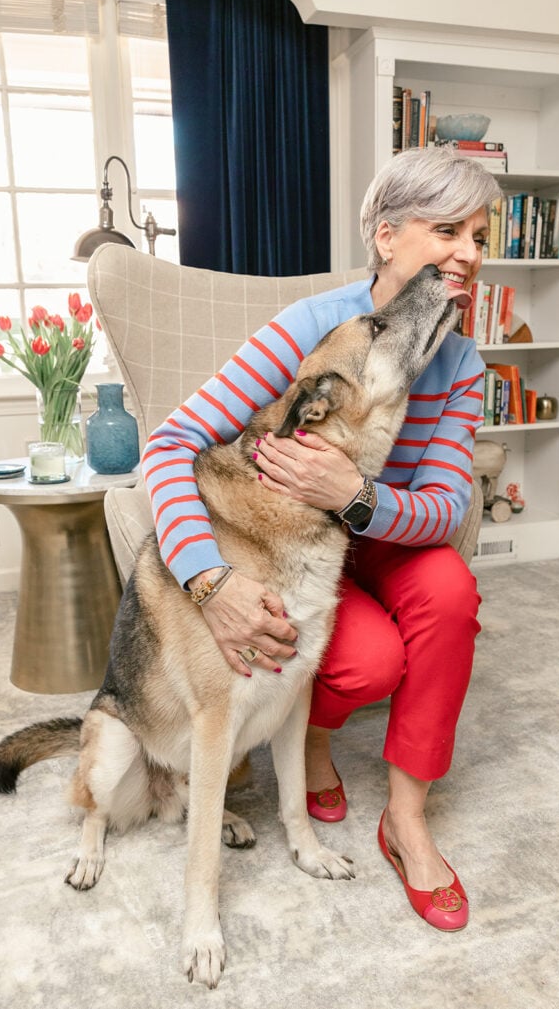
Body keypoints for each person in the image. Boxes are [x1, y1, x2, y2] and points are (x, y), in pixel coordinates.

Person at [142, 145, 501, 931]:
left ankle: (407, 816)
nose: (470, 254)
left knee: (450, 588)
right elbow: (169, 447)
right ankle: (310, 747)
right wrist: (208, 578)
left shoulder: (464, 362)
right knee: (370, 659)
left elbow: (445, 504)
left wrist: (357, 495)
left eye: (480, 233)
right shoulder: (308, 334)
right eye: (449, 230)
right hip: (294, 543)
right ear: (387, 235)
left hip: (385, 533)